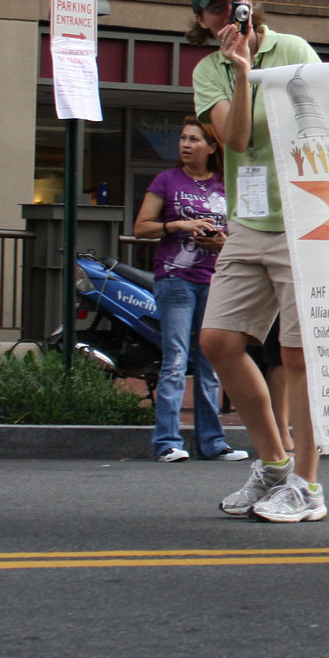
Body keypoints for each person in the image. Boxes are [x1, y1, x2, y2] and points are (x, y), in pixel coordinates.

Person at [188, 0, 327, 520]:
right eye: (218, 9)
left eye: (237, 2)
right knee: (219, 340)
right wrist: (242, 72)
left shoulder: (292, 48)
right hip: (249, 220)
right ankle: (273, 461)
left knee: (297, 354)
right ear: (202, 21)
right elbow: (238, 139)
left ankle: (307, 484)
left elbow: (323, 118)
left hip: (304, 217)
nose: (231, 14)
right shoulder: (210, 70)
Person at [134, 117, 244, 463]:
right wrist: (178, 225)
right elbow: (141, 227)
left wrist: (222, 242)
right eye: (183, 138)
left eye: (194, 139)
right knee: (176, 360)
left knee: (212, 363)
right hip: (175, 279)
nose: (185, 144)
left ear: (212, 147)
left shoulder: (229, 184)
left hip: (215, 279)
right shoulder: (166, 180)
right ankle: (168, 441)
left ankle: (212, 443)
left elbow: (242, 236)